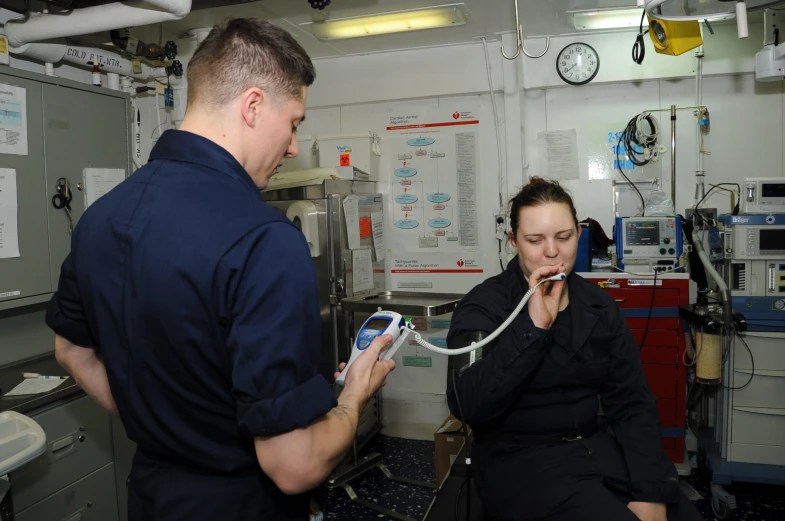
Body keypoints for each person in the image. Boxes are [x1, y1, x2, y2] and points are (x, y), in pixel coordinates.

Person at [45, 19, 394, 521]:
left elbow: (70, 348)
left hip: (151, 496)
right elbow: (294, 466)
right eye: (294, 122)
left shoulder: (101, 217)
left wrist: (161, 422)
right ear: (253, 106)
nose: (295, 146)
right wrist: (356, 395)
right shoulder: (265, 240)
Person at [446, 177, 703, 521]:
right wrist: (532, 328)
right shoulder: (483, 306)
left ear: (579, 236)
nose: (552, 251)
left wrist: (649, 489)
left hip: (595, 449)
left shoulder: (598, 306)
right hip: (521, 461)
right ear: (514, 242)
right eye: (535, 240)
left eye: (563, 237)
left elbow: (632, 403)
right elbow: (469, 402)